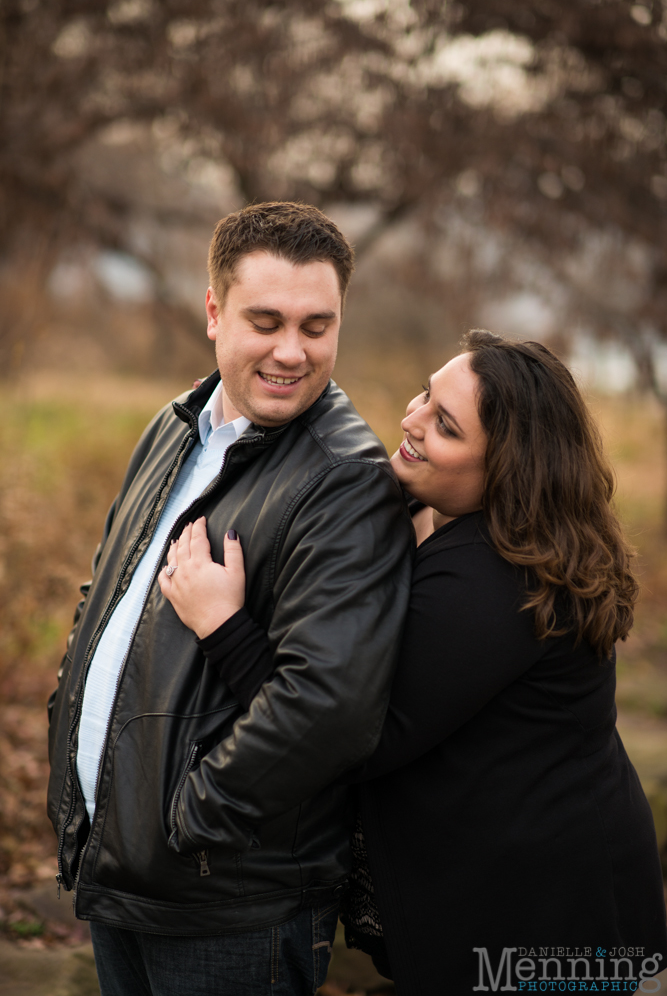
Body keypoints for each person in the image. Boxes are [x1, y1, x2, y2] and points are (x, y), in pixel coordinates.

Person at [164, 330, 667, 993]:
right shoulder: (517, 544)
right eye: (427, 395)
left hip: (539, 932)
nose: (412, 420)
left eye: (446, 427)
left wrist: (222, 625)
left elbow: (345, 734)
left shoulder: (492, 583)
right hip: (566, 903)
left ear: (507, 469)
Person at [46, 201, 414, 996]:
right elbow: (111, 589)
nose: (292, 351)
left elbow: (331, 708)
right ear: (214, 312)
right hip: (122, 869)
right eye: (267, 320)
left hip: (227, 902)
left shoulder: (344, 481)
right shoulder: (177, 425)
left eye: (317, 326)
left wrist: (185, 821)